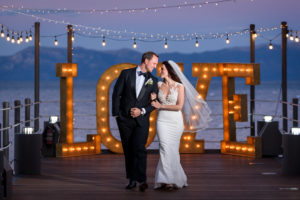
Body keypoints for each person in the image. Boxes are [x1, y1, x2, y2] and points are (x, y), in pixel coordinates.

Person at [151, 60, 211, 190]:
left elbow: (179, 106)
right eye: (160, 69)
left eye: (162, 69)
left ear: (170, 71)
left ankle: (176, 178)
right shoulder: (158, 84)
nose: (160, 71)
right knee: (164, 148)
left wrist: (160, 105)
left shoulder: (179, 86)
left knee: (172, 150)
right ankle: (167, 181)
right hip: (162, 120)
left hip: (175, 122)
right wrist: (152, 99)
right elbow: (152, 100)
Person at [112, 51, 159, 192]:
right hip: (124, 120)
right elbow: (116, 94)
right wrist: (116, 115)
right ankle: (132, 180)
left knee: (140, 149)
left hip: (142, 121)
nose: (155, 66)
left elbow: (155, 103)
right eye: (154, 63)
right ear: (145, 60)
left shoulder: (153, 80)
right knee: (128, 150)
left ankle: (142, 180)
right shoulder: (126, 74)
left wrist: (142, 111)